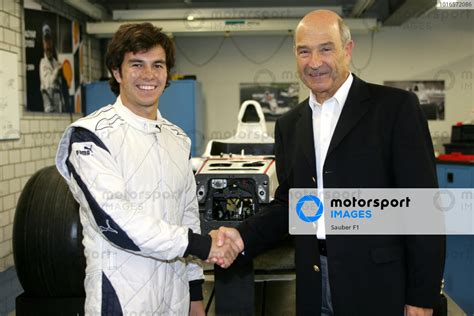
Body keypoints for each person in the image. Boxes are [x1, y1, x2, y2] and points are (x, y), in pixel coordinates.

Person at [212, 10, 445, 316]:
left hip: (381, 284)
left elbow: (423, 207)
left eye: (326, 48)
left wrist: (421, 296)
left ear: (347, 50)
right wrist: (242, 235)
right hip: (312, 279)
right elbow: (291, 204)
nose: (314, 62)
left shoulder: (394, 109)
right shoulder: (290, 124)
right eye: (304, 51)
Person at [56, 23, 239, 315]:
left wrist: (194, 295)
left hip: (175, 294)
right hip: (122, 294)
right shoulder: (90, 136)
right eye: (137, 64)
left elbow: (187, 214)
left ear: (167, 74)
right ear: (117, 72)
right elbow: (116, 221)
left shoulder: (178, 139)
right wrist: (203, 246)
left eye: (158, 65)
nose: (148, 75)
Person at [40, 23, 65, 113]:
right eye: (46, 40)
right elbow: (49, 83)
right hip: (48, 102)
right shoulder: (43, 63)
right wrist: (57, 70)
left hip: (58, 100)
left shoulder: (55, 62)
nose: (48, 44)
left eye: (49, 40)